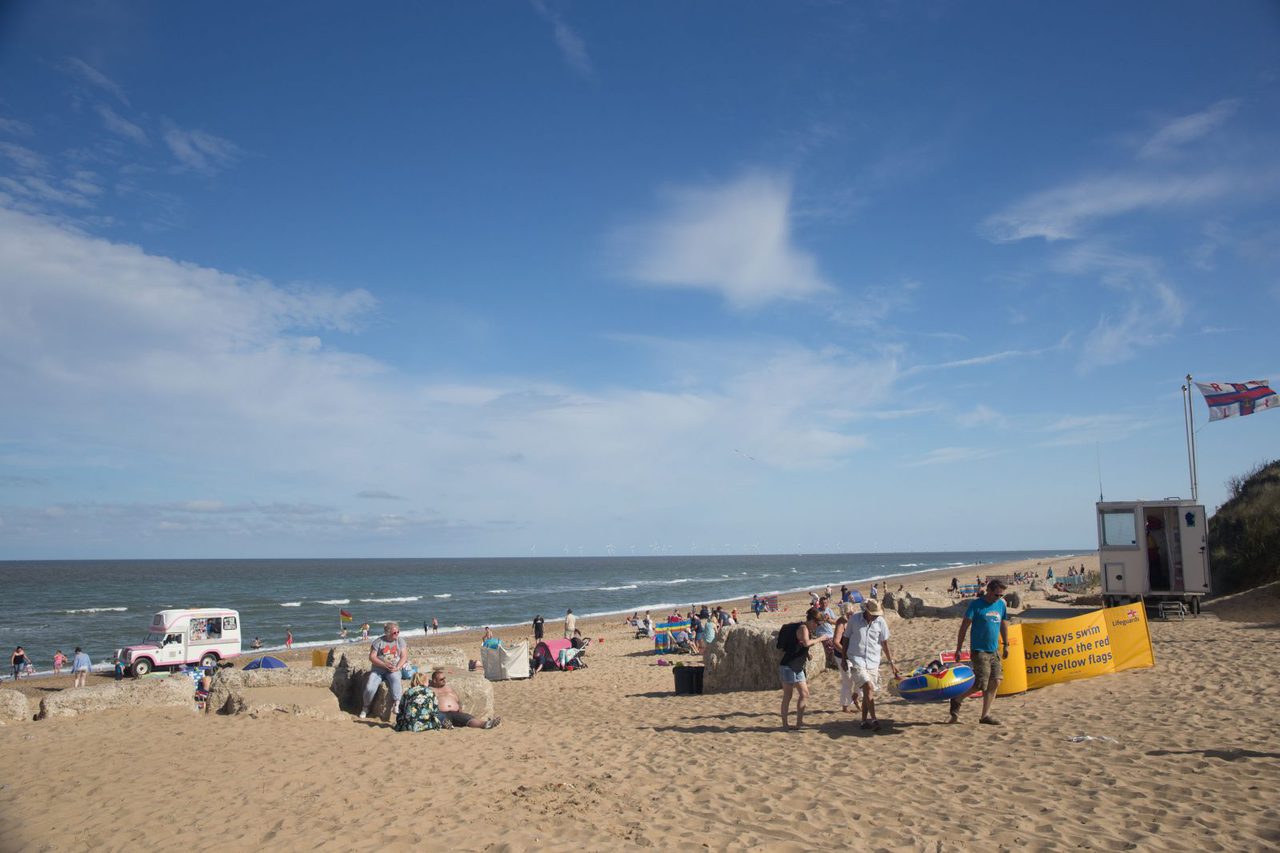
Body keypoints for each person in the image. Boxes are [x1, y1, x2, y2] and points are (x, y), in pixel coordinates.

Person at [950, 579, 1010, 725]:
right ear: (988, 591)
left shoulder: (1001, 605)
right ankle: (957, 698)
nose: (999, 598)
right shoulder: (976, 605)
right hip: (979, 650)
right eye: (997, 595)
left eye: (1001, 595)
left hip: (994, 649)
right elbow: (964, 627)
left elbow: (1003, 624)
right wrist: (958, 649)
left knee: (996, 680)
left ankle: (985, 716)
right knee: (980, 684)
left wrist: (1006, 644)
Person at [843, 599, 900, 731]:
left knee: (868, 691)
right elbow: (846, 638)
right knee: (868, 686)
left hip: (873, 661)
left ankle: (863, 721)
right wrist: (844, 658)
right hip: (856, 659)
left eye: (876, 614)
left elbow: (884, 643)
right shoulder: (854, 620)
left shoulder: (880, 622)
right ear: (867, 611)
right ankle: (874, 719)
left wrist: (892, 663)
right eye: (873, 614)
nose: (875, 616)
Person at [777, 608, 826, 730]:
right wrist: (820, 639)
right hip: (789, 666)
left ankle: (799, 722)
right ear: (812, 620)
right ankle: (785, 725)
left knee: (804, 694)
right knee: (788, 696)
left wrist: (807, 654)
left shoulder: (805, 628)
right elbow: (806, 643)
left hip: (797, 667)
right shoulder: (803, 628)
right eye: (817, 623)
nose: (817, 626)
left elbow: (800, 645)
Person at [360, 622, 407, 720]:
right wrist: (384, 665)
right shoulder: (378, 642)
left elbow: (404, 656)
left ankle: (396, 704)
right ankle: (366, 707)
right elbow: (372, 657)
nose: (397, 634)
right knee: (370, 687)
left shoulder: (400, 641)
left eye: (398, 632)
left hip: (393, 669)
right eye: (395, 633)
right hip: (379, 669)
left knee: (395, 679)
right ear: (387, 633)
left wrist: (397, 667)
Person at [428, 669, 501, 729]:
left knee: (468, 718)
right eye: (441, 679)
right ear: (434, 681)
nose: (444, 680)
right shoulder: (431, 690)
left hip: (455, 713)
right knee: (440, 718)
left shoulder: (449, 688)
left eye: (444, 678)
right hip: (442, 713)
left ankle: (485, 724)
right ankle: (447, 725)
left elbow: (457, 700)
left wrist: (459, 708)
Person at [832, 603, 859, 714]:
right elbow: (835, 642)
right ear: (844, 613)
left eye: (852, 613)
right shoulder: (841, 623)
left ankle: (855, 698)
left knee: (858, 678)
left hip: (853, 655)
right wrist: (846, 653)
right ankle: (845, 706)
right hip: (842, 655)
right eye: (849, 613)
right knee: (847, 680)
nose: (851, 615)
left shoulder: (852, 621)